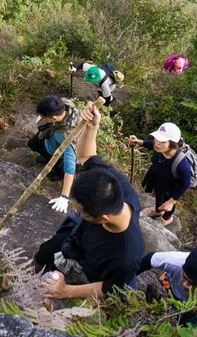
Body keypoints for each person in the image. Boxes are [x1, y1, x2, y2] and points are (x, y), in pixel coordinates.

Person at [36, 101, 144, 300]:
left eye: (82, 212)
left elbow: (109, 288)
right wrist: (92, 126)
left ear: (103, 219)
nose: (78, 212)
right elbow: (86, 156)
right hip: (79, 239)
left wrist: (66, 291)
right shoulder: (110, 182)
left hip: (96, 268)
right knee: (42, 256)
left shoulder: (126, 256)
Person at [138, 246, 197, 326]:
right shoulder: (175, 261)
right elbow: (149, 259)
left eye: (193, 283)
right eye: (184, 277)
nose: (185, 285)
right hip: (170, 289)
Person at [128, 123, 190, 226]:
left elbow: (185, 183)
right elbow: (151, 144)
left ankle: (167, 218)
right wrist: (139, 142)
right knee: (158, 195)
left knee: (166, 202)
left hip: (170, 187)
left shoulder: (181, 164)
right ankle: (158, 211)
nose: (157, 143)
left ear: (172, 143)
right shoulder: (160, 148)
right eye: (157, 139)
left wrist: (172, 201)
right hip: (158, 179)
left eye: (162, 141)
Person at [28, 95, 82, 213]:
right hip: (52, 135)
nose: (41, 118)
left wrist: (64, 197)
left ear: (53, 118)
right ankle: (48, 158)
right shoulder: (63, 103)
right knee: (32, 143)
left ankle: (57, 170)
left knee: (62, 167)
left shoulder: (67, 136)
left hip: (60, 149)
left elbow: (70, 165)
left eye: (43, 117)